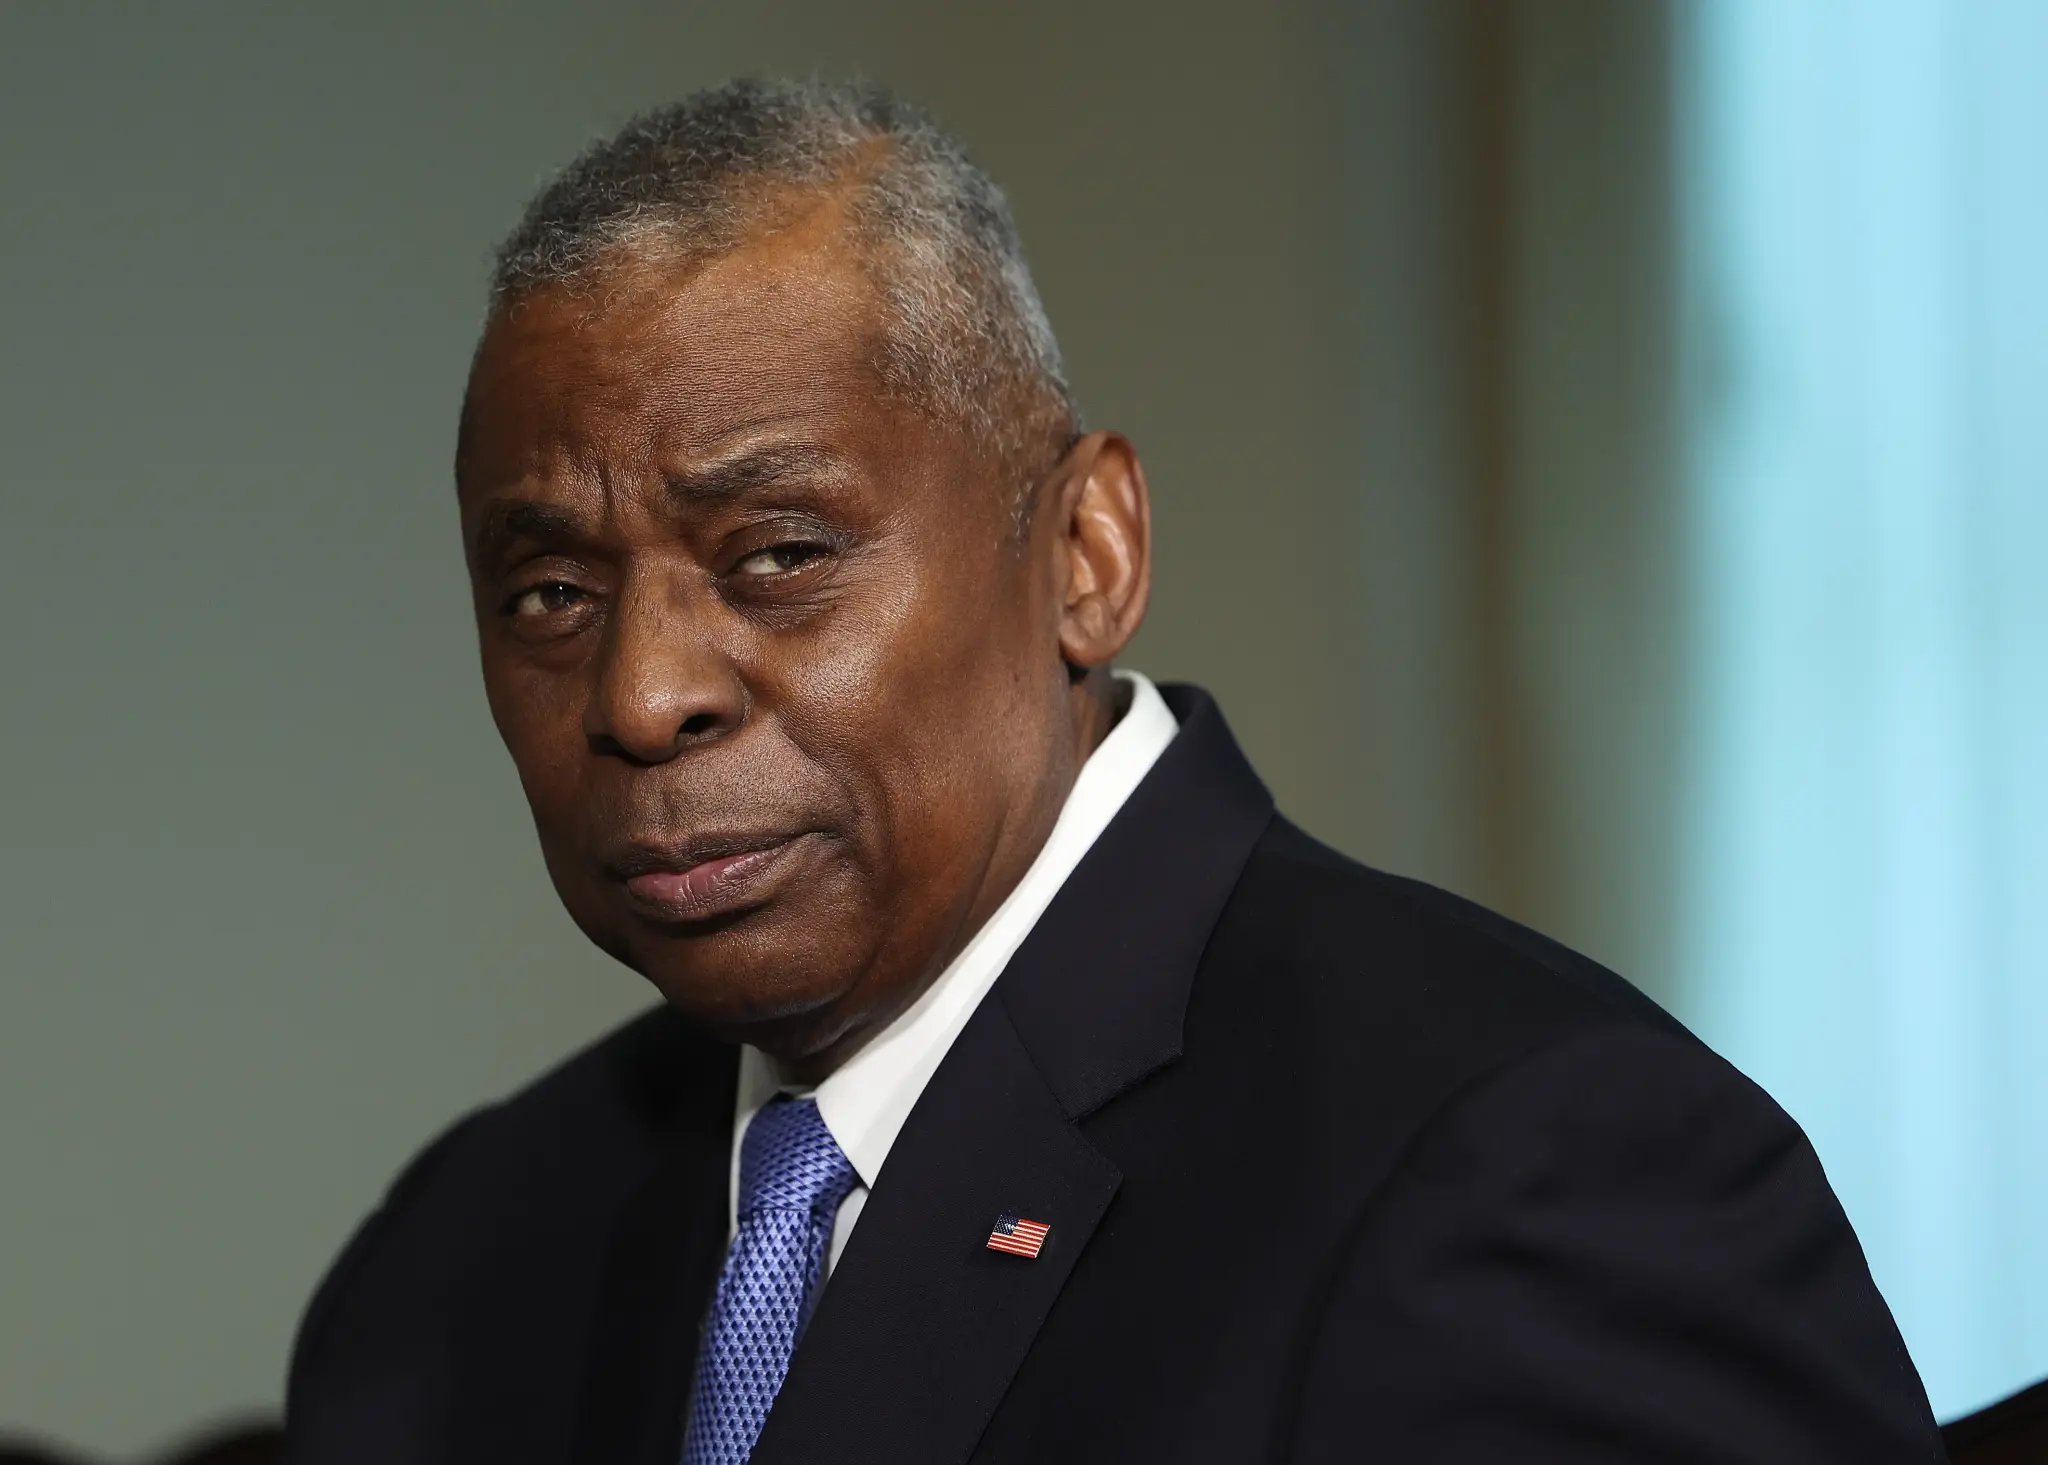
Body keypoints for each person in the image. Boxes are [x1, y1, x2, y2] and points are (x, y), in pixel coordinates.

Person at [284, 79, 1945, 1465]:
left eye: (780, 553)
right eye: (550, 595)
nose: (643, 696)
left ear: (1087, 551)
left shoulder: (1532, 1164)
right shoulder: (454, 1268)